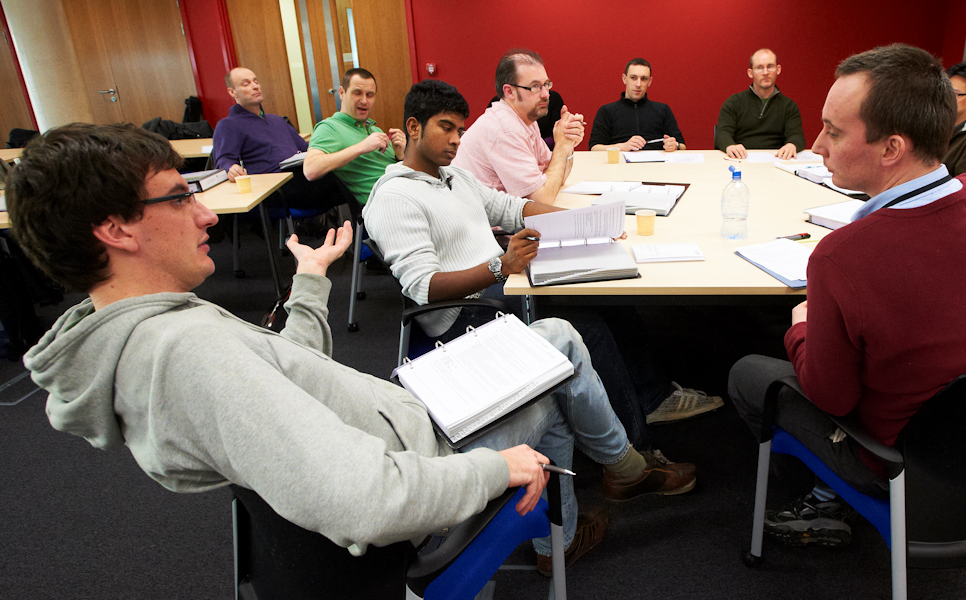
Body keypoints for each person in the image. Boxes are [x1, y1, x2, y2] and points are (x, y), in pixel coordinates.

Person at [7, 123, 696, 577]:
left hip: (402, 418)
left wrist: (309, 287)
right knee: (557, 357)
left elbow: (283, 377)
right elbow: (367, 500)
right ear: (116, 230)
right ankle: (593, 501)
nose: (207, 214)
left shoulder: (143, 332)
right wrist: (495, 471)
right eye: (181, 195)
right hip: (423, 464)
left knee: (548, 346)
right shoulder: (182, 354)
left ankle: (589, 501)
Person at [727, 44, 966, 548]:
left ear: (892, 148)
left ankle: (829, 498)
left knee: (748, 372)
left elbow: (832, 396)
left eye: (833, 132)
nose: (818, 147)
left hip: (897, 462)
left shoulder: (843, 258)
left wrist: (800, 326)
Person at [364, 78, 721, 460]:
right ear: (414, 128)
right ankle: (638, 451)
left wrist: (585, 221)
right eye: (446, 128)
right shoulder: (394, 198)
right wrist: (500, 266)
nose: (456, 140)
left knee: (608, 295)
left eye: (460, 131)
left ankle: (650, 398)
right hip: (466, 314)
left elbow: (512, 209)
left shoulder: (454, 177)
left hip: (505, 283)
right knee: (589, 325)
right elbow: (423, 287)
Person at [451, 49, 585, 203]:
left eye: (546, 85)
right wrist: (561, 146)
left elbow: (555, 177)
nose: (546, 94)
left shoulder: (526, 120)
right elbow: (541, 201)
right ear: (509, 91)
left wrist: (568, 142)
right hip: (487, 224)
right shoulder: (505, 130)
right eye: (535, 86)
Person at [211, 67, 344, 211]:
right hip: (275, 187)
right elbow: (222, 160)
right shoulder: (229, 124)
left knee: (345, 175)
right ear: (232, 92)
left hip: (299, 177)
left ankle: (357, 226)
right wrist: (231, 168)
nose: (255, 86)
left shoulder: (277, 120)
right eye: (246, 84)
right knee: (342, 182)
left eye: (256, 81)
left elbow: (308, 148)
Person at [303, 68, 405, 205]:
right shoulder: (329, 127)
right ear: (342, 93)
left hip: (408, 190)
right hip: (388, 203)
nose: (364, 101)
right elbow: (310, 169)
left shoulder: (374, 129)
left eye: (370, 95)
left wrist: (401, 155)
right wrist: (361, 147)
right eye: (357, 93)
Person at [715, 48, 805, 160]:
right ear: (750, 73)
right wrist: (730, 145)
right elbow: (722, 133)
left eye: (770, 66)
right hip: (741, 160)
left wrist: (792, 144)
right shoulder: (733, 102)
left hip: (777, 161)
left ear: (778, 69)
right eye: (759, 67)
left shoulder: (789, 106)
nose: (766, 72)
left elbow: (797, 135)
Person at [588, 58, 685, 152]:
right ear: (624, 79)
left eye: (643, 79)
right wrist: (623, 147)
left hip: (656, 166)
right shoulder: (606, 111)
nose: (638, 84)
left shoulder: (663, 110)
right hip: (618, 165)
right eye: (633, 78)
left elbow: (682, 145)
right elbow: (594, 148)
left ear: (649, 82)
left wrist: (675, 145)